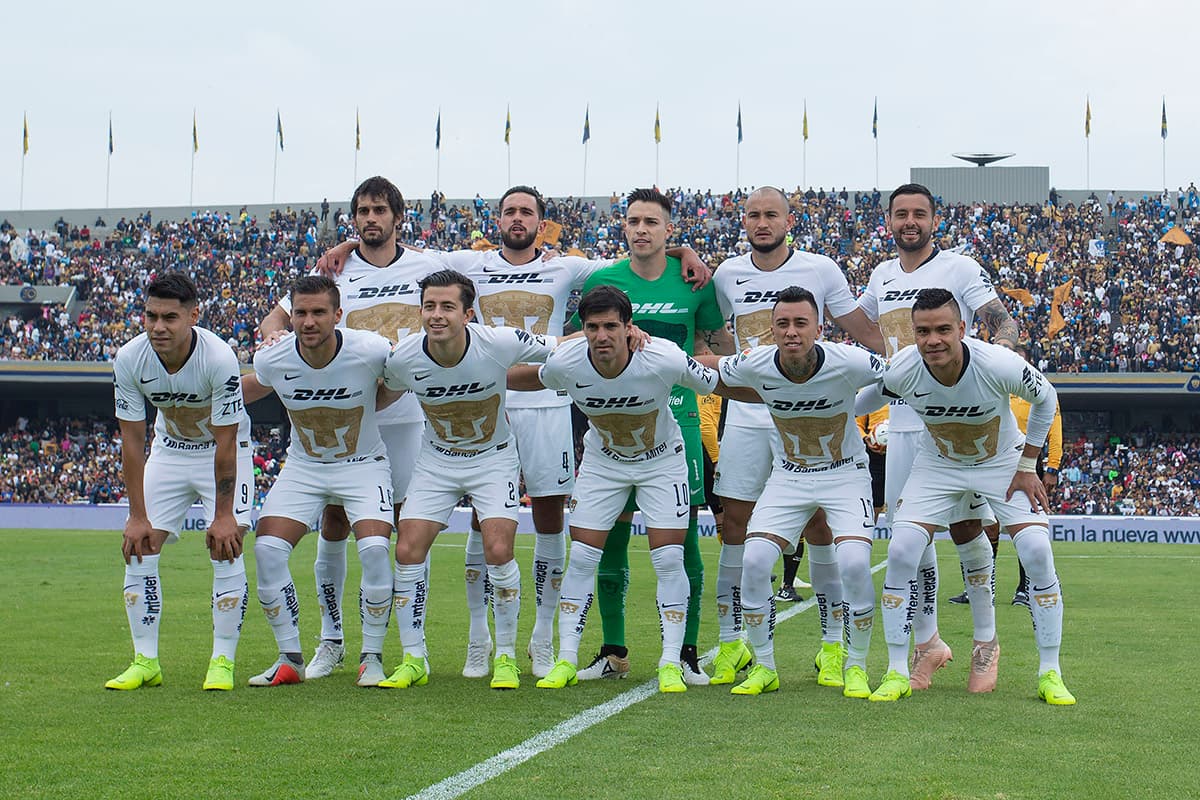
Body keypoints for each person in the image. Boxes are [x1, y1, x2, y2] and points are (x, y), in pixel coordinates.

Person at [316, 185, 710, 680]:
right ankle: (480, 641)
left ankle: (543, 641)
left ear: (542, 223)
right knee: (486, 528)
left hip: (546, 400)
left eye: (527, 212)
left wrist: (683, 250)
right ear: (496, 218)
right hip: (489, 405)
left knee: (548, 520)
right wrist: (348, 246)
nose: (517, 218)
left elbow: (635, 253)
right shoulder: (466, 263)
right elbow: (391, 249)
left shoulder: (567, 266)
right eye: (509, 211)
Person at [510, 285, 751, 692]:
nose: (601, 336)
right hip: (604, 464)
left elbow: (713, 382)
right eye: (592, 327)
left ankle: (671, 662)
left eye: (610, 326)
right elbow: (529, 378)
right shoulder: (565, 362)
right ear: (582, 330)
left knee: (669, 559)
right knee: (583, 557)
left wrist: (782, 393)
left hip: (662, 461)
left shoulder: (662, 357)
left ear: (628, 328)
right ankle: (566, 658)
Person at [258, 177, 446, 680]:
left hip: (404, 418)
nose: (370, 218)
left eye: (379, 210)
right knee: (334, 524)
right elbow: (273, 324)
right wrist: (284, 348)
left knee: (403, 532)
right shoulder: (331, 271)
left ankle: (411, 644)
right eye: (362, 210)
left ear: (398, 217)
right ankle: (331, 640)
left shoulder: (428, 263)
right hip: (339, 419)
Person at [860, 288, 1074, 705]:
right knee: (902, 550)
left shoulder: (997, 363)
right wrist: (847, 422)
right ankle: (896, 670)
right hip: (937, 465)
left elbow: (1046, 397)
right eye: (923, 331)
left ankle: (1051, 672)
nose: (933, 340)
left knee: (1036, 550)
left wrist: (1029, 465)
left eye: (943, 329)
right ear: (913, 333)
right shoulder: (904, 368)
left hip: (1002, 462)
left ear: (962, 328)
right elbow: (860, 400)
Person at [708, 186, 885, 687]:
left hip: (816, 422)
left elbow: (863, 331)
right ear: (742, 221)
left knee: (822, 530)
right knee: (735, 527)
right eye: (752, 215)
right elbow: (719, 337)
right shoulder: (726, 273)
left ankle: (832, 646)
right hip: (750, 413)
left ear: (790, 219)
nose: (761, 223)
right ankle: (731, 644)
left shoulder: (822, 269)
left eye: (771, 215)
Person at [857, 183, 1021, 691]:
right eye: (901, 213)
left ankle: (986, 642)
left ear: (934, 220)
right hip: (903, 423)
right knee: (911, 536)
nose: (910, 221)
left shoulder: (960, 269)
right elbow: (862, 329)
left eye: (919, 214)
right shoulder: (882, 275)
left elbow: (1002, 322)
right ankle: (928, 644)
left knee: (970, 528)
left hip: (956, 424)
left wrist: (998, 372)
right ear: (888, 221)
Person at [570, 188, 733, 686]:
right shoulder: (602, 280)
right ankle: (613, 651)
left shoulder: (696, 283)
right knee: (608, 540)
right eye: (633, 221)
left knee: (681, 545)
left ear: (669, 229)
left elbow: (715, 346)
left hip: (677, 425)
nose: (641, 229)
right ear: (624, 227)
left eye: (651, 222)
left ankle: (685, 653)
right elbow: (582, 343)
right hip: (613, 427)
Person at [380, 269, 556, 691]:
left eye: (447, 307)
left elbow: (561, 347)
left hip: (493, 458)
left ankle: (507, 657)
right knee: (406, 549)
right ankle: (413, 657)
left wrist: (629, 336)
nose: (436, 315)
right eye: (429, 306)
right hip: (436, 460)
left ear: (468, 313)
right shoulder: (404, 358)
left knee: (498, 548)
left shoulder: (498, 342)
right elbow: (379, 389)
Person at [246, 275, 399, 687]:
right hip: (304, 467)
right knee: (268, 550)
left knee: (373, 549)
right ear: (289, 316)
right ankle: (290, 658)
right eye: (300, 313)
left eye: (318, 313)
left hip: (363, 464)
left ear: (338, 315)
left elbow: (397, 384)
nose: (308, 321)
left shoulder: (371, 350)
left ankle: (372, 657)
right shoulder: (272, 358)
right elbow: (243, 392)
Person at [107, 273, 253, 692]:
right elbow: (132, 440)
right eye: (151, 316)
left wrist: (224, 515)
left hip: (222, 450)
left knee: (226, 546)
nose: (158, 327)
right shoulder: (130, 358)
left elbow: (226, 440)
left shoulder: (219, 357)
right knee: (139, 545)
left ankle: (222, 660)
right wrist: (136, 515)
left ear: (193, 315)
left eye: (170, 317)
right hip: (169, 450)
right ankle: (145, 661)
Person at [949, 362, 1063, 607]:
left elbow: (1055, 430)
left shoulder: (1037, 390)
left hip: (1028, 462)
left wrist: (1052, 467)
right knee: (986, 527)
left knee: (1024, 528)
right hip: (991, 462)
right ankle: (979, 588)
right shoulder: (993, 385)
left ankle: (1026, 587)